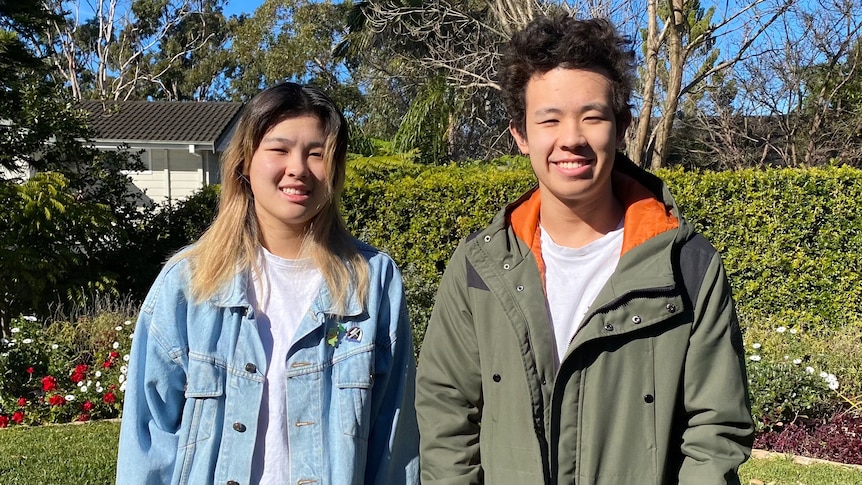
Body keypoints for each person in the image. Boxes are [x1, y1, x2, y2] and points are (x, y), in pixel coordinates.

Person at [415, 14, 754, 485]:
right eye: (549, 119)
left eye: (592, 117)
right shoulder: (479, 267)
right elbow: (446, 415)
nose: (571, 138)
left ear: (622, 125)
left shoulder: (686, 265)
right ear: (521, 135)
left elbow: (715, 430)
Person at [116, 82, 419, 485]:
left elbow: (395, 440)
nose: (298, 168)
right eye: (279, 149)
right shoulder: (189, 283)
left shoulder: (373, 282)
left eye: (317, 153)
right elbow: (148, 437)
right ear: (244, 161)